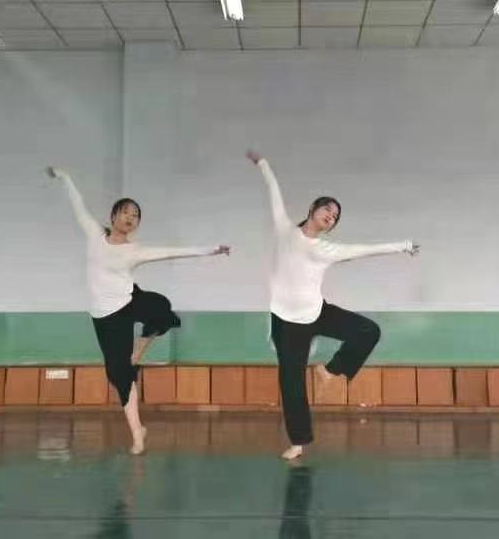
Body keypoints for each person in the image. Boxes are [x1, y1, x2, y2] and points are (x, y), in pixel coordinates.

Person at [247, 152, 419, 460]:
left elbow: (365, 250)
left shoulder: (327, 249)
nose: (331, 216)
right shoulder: (285, 229)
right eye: (328, 209)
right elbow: (273, 189)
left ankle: (331, 369)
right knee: (291, 383)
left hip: (317, 312)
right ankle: (298, 442)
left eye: (336, 216)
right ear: (313, 209)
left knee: (369, 331)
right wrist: (262, 163)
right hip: (286, 321)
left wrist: (403, 246)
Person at [48, 166, 229, 454]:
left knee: (162, 310)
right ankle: (138, 431)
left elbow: (173, 252)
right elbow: (78, 205)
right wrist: (65, 177)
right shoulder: (94, 234)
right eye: (126, 212)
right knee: (119, 374)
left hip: (129, 299)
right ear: (113, 216)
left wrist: (212, 249)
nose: (130, 218)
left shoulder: (136, 251)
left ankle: (140, 349)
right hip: (105, 316)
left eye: (135, 215)